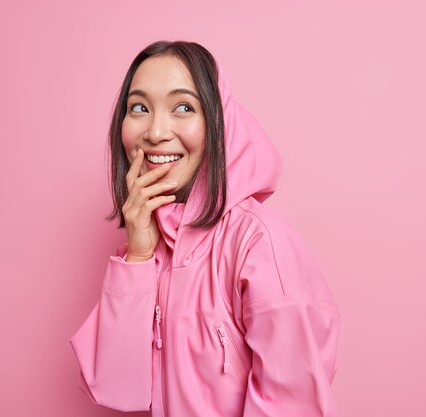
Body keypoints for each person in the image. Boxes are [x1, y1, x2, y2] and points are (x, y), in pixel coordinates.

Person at [69, 40, 341, 417]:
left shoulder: (259, 242)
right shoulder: (153, 247)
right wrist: (138, 257)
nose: (156, 131)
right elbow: (117, 389)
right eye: (139, 108)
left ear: (218, 122)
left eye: (183, 107)